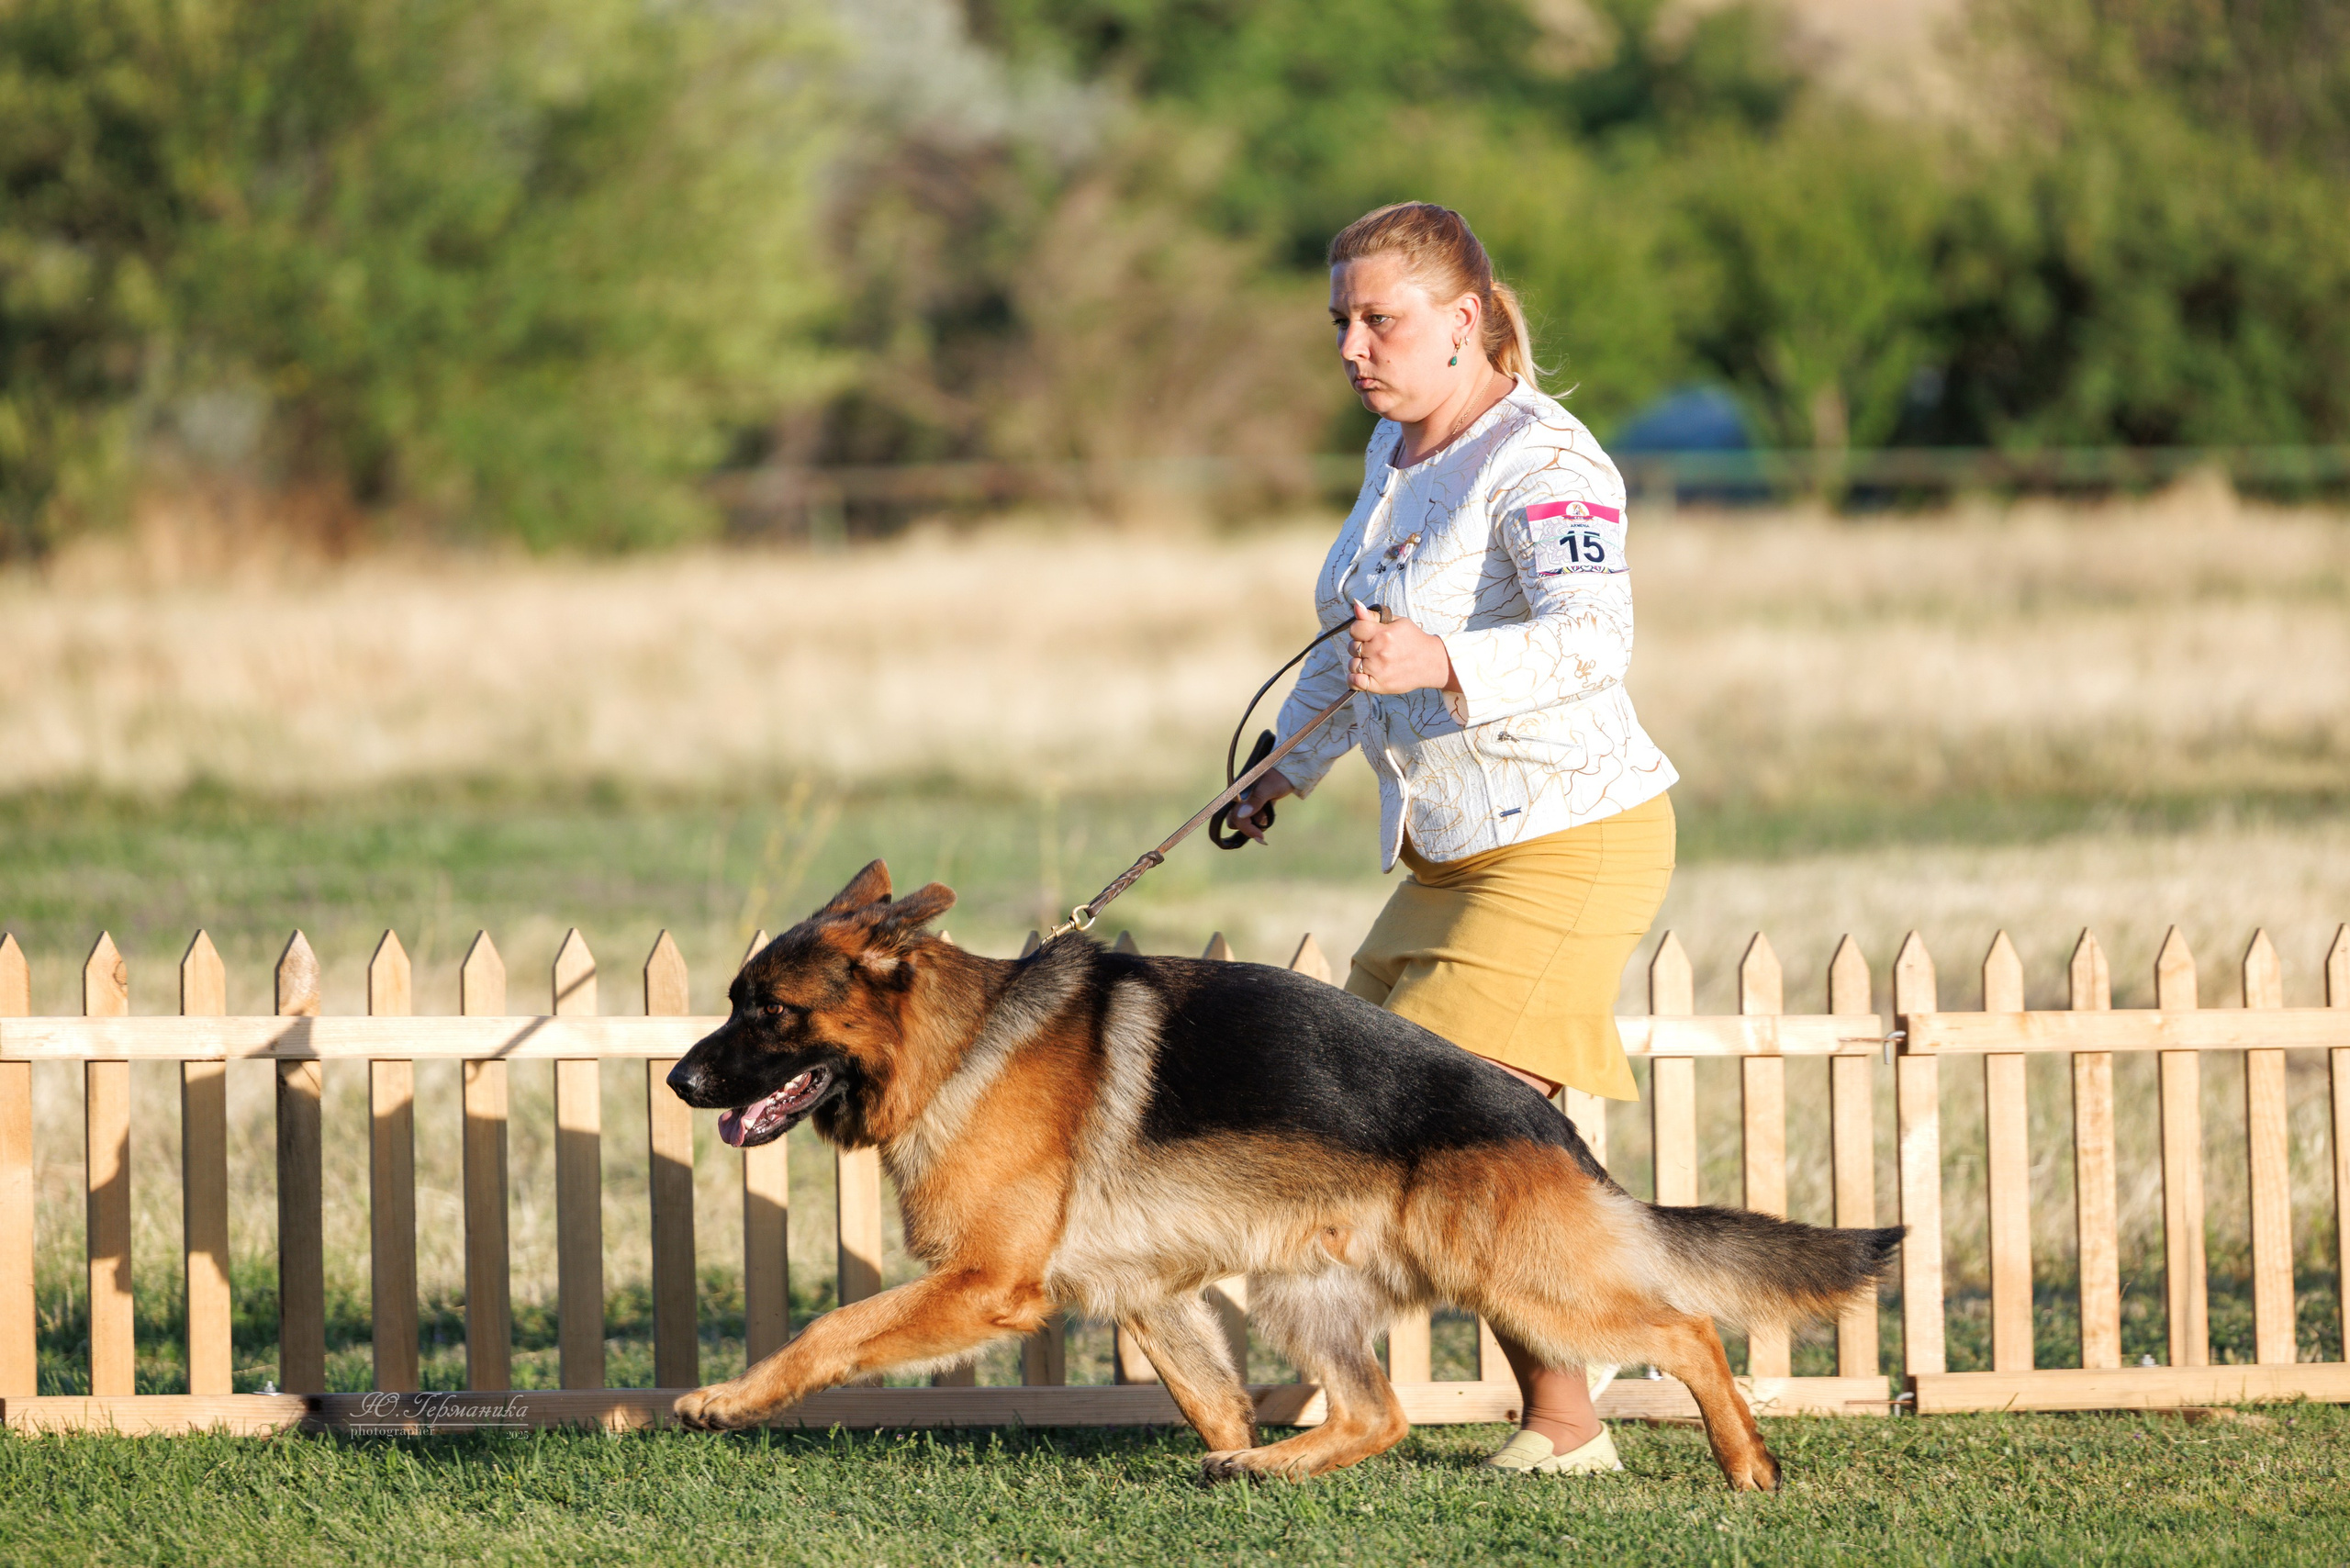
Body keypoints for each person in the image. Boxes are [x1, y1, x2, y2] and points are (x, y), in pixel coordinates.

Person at [1232, 201, 1677, 1477]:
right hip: (1451, 854)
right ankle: (1581, 1384)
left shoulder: (1547, 463)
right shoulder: (1394, 452)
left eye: (1382, 319)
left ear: (1465, 319)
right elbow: (1354, 648)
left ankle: (1569, 1423)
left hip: (1571, 839)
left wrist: (1445, 656)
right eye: (1341, 323)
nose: (1354, 347)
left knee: (1461, 1141)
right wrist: (1284, 771)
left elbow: (1596, 639)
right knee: (1387, 1128)